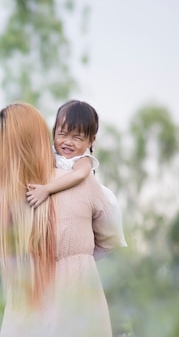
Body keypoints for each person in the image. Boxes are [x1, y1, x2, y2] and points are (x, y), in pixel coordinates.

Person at [0, 102, 126, 337]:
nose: (67, 141)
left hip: (23, 305)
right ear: (44, 135)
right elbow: (111, 239)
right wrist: (80, 262)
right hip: (78, 298)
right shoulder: (84, 184)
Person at [25, 101, 124, 244]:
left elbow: (79, 175)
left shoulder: (82, 160)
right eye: (62, 134)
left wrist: (46, 189)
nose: (68, 142)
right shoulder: (50, 153)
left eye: (77, 138)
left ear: (91, 140)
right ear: (54, 132)